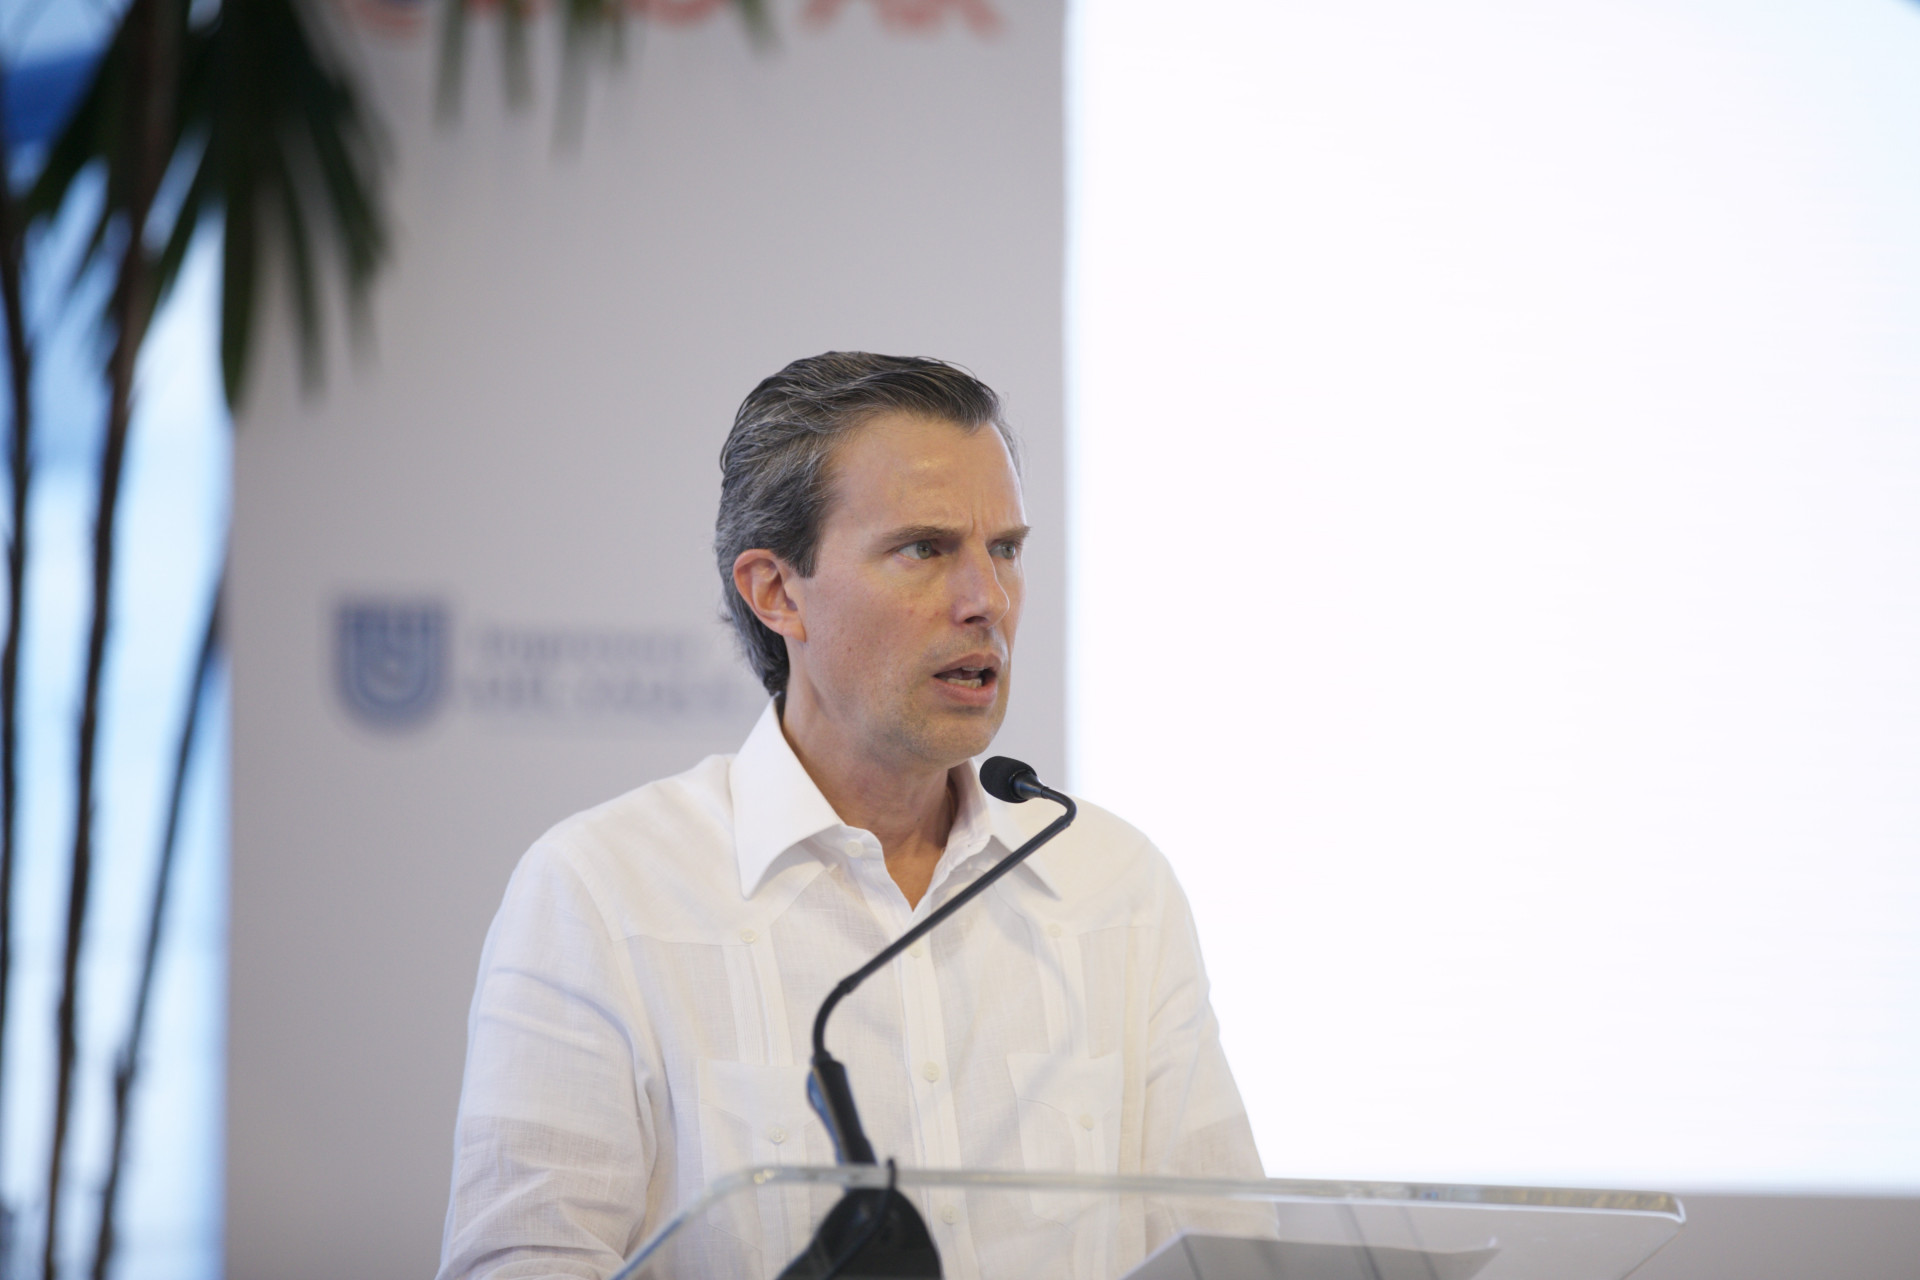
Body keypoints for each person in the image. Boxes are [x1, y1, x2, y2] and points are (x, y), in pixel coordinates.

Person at [436, 353, 1262, 1280]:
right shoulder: (601, 894)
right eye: (925, 549)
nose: (986, 600)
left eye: (1005, 549)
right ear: (776, 592)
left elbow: (1229, 1257)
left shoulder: (1115, 886)